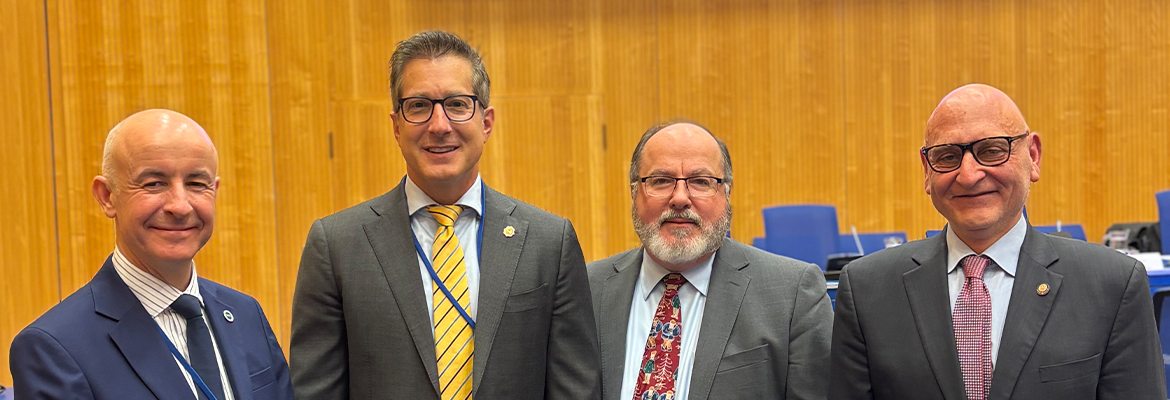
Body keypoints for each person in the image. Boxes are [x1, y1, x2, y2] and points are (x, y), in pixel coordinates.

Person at [289, 30, 601, 400]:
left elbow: (575, 391)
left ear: (485, 122)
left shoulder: (550, 243)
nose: (439, 125)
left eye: (456, 104)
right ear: (396, 126)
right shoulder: (336, 246)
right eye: (419, 106)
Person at [829, 84, 1166, 400]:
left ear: (1032, 156)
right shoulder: (866, 290)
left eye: (991, 150)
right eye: (947, 157)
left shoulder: (1112, 285)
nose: (969, 174)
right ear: (927, 172)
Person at [10, 109, 293, 399]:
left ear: (215, 191)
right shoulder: (55, 347)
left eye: (196, 183)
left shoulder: (246, 314)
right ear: (107, 196)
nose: (180, 206)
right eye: (154, 184)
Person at [588, 121, 833, 400]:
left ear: (726, 194)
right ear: (634, 193)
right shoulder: (586, 290)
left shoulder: (792, 296)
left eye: (701, 182)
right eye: (661, 181)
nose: (679, 198)